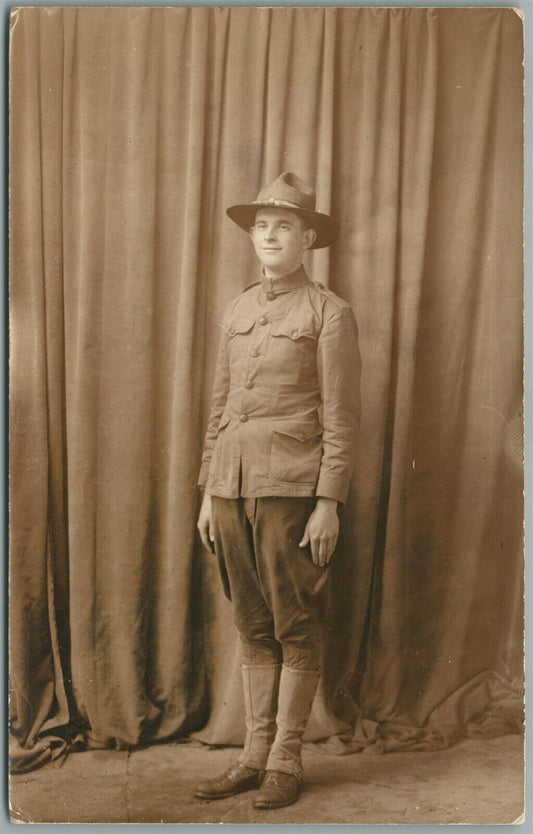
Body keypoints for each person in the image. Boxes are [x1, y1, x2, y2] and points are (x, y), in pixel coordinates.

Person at [195, 171, 361, 809]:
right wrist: (210, 490)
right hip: (232, 485)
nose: (268, 236)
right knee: (250, 620)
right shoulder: (238, 309)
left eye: (282, 226)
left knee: (295, 620)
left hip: (292, 487)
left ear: (308, 238)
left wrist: (329, 503)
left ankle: (285, 762)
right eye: (261, 227)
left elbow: (342, 419)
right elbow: (219, 408)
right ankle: (251, 757)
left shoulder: (329, 312)